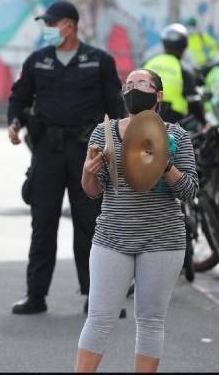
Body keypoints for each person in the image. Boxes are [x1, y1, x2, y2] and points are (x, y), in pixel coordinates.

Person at [75, 68, 198, 372]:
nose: (133, 89)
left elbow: (189, 191)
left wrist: (165, 164)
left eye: (141, 84)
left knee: (151, 321)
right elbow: (92, 191)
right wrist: (88, 171)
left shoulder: (177, 136)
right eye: (128, 85)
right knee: (100, 317)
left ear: (158, 95)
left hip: (162, 241)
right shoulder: (104, 132)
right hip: (112, 237)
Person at [7, 0, 126, 315]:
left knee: (89, 224)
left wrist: (124, 144)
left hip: (87, 152)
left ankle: (96, 296)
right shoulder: (38, 60)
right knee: (42, 223)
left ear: (69, 26)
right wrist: (14, 123)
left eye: (51, 24)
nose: (46, 30)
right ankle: (35, 296)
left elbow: (116, 106)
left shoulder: (98, 61)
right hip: (47, 150)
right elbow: (19, 97)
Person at [143, 23, 206, 128]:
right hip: (173, 121)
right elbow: (193, 101)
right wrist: (204, 122)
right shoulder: (184, 69)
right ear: (184, 45)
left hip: (145, 116)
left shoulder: (149, 62)